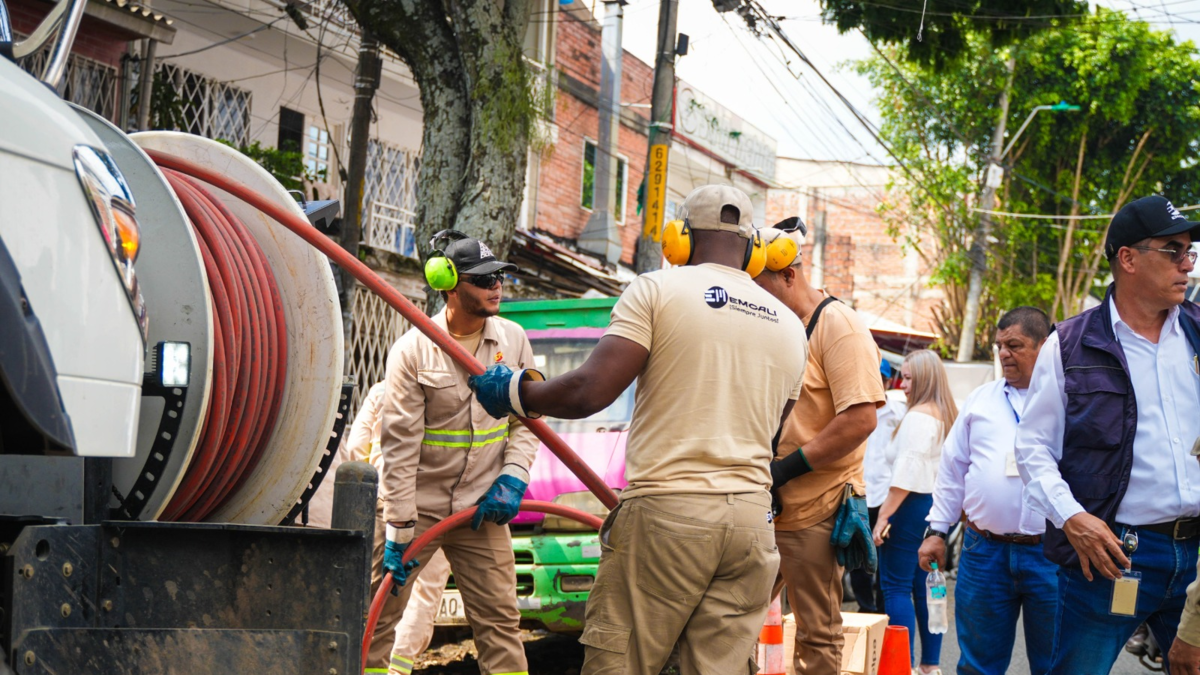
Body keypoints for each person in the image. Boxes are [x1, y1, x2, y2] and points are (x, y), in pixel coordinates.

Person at [469, 185, 808, 675]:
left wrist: (517, 392)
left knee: (621, 663)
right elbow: (773, 430)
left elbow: (589, 391)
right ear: (755, 248)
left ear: (680, 240)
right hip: (751, 528)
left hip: (669, 517)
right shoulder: (789, 324)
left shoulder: (657, 290)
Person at [1016, 195, 1200, 674]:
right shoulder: (1071, 344)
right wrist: (1071, 517)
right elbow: (1033, 447)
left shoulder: (1198, 334)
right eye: (1174, 251)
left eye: (1190, 252)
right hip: (1114, 557)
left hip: (1198, 562)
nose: (1188, 264)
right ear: (1129, 258)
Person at [372, 232, 539, 675]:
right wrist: (399, 525)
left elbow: (529, 420)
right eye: (483, 280)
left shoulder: (514, 339)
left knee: (501, 622)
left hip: (480, 510)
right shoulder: (411, 351)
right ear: (448, 282)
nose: (496, 287)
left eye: (499, 277)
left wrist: (515, 475)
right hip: (417, 510)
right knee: (377, 618)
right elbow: (399, 445)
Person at [752, 222, 885, 674]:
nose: (756, 299)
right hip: (765, 503)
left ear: (789, 275)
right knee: (730, 621)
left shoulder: (839, 325)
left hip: (817, 506)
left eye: (761, 287)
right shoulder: (773, 328)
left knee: (816, 633)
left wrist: (785, 470)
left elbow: (861, 419)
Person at [917, 307, 1057, 675]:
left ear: (1045, 347)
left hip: (1054, 554)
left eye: (1015, 345)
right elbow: (952, 472)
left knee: (1057, 664)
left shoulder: (1070, 401)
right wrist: (936, 532)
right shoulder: (981, 401)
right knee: (979, 666)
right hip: (985, 552)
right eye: (999, 346)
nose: (1004, 354)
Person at [871, 349, 956, 675]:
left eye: (908, 377)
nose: (902, 384)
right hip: (934, 508)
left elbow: (905, 474)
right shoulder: (944, 413)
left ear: (924, 379)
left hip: (909, 507)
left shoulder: (919, 416)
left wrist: (883, 516)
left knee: (895, 587)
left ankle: (901, 667)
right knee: (930, 587)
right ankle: (929, 666)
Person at [852, 359, 904, 614]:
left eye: (881, 379)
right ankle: (866, 608)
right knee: (858, 558)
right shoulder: (854, 409)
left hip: (886, 495)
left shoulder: (898, 413)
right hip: (859, 493)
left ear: (886, 382)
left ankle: (883, 612)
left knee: (886, 558)